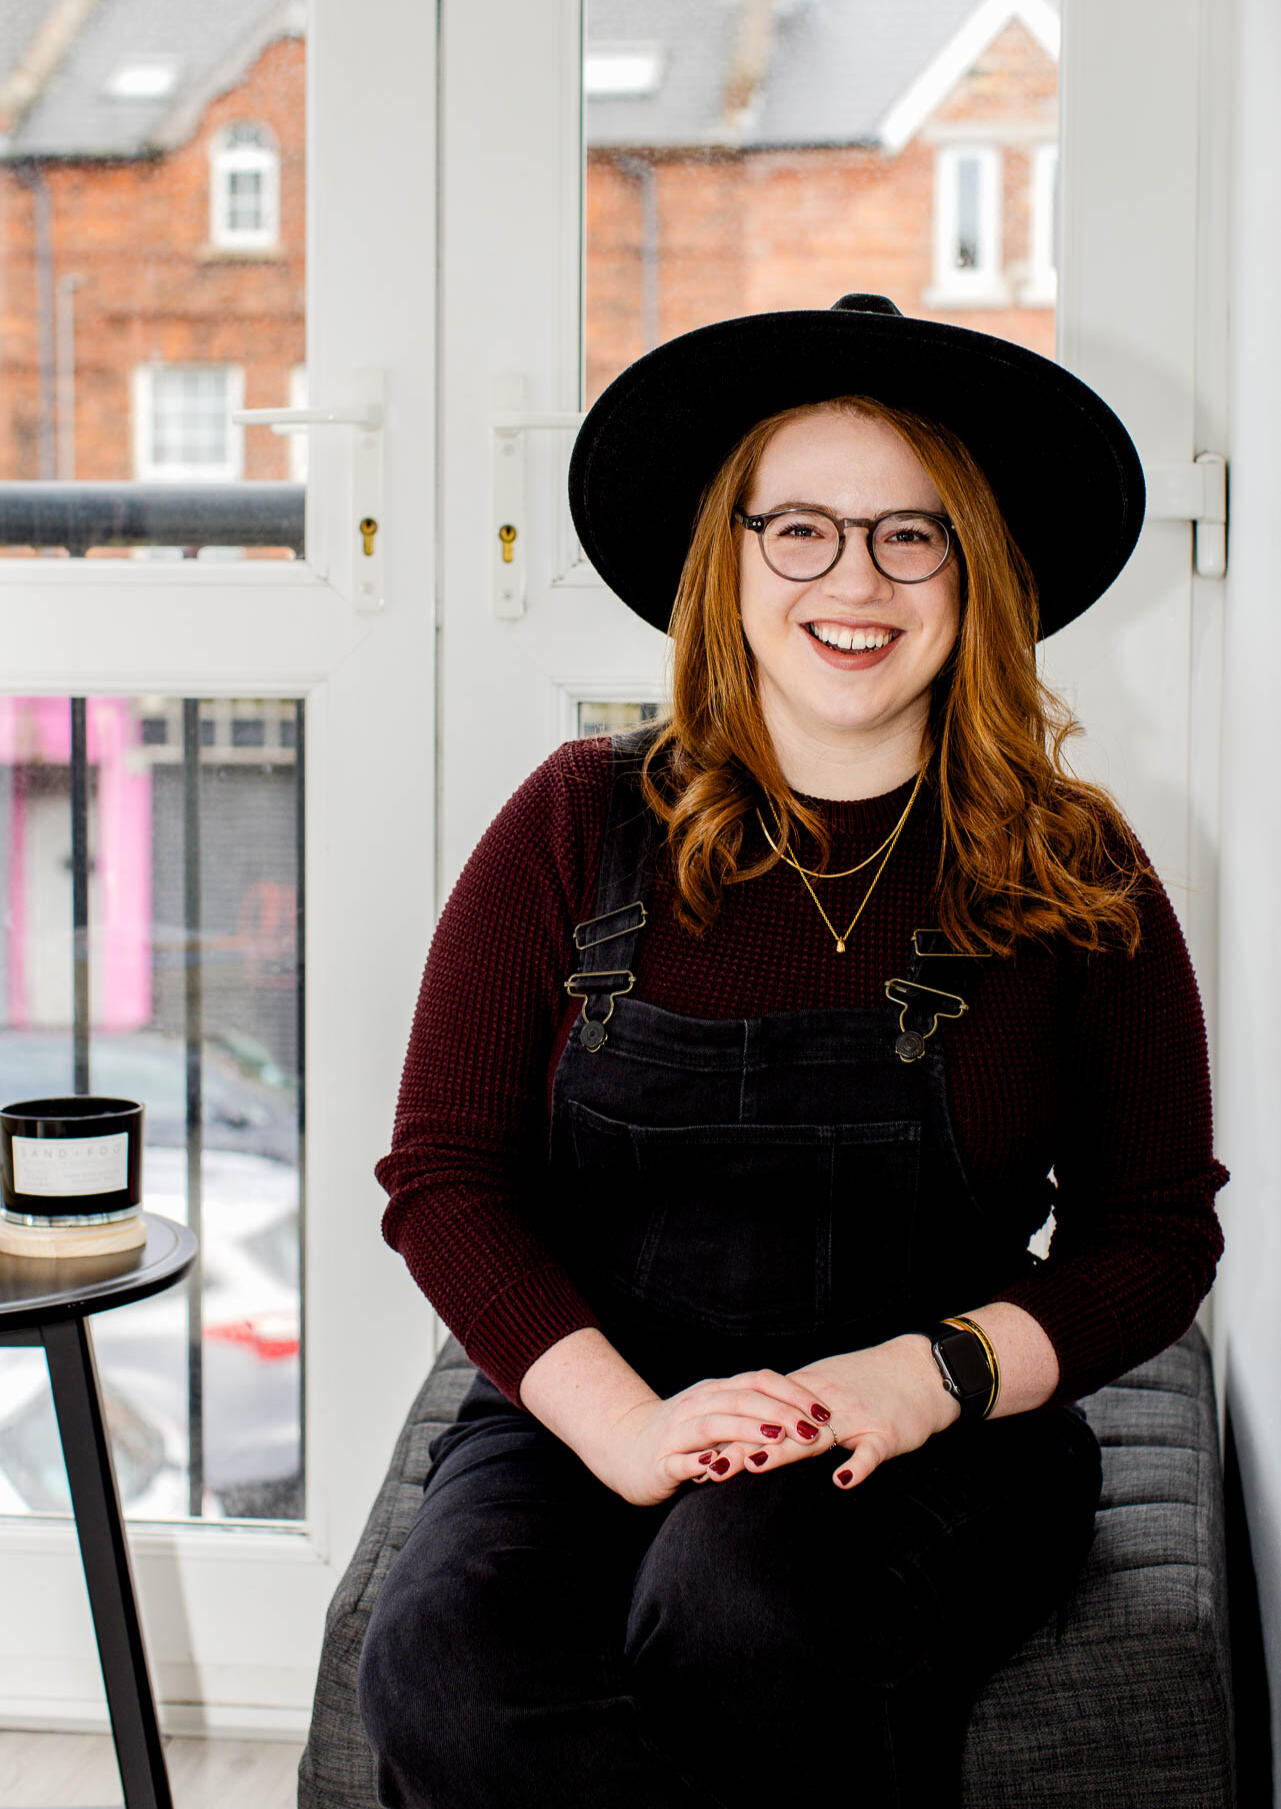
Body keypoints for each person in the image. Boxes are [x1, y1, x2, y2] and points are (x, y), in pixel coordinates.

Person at [357, 294, 1227, 1808]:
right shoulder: (575, 818)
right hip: (607, 1386)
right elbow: (444, 1174)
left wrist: (927, 1376)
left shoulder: (1077, 868)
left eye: (911, 535)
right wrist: (629, 1428)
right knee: (446, 1665)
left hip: (936, 1424)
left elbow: (1152, 1235)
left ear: (976, 574)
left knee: (742, 1604)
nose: (855, 579)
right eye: (802, 530)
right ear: (731, 561)